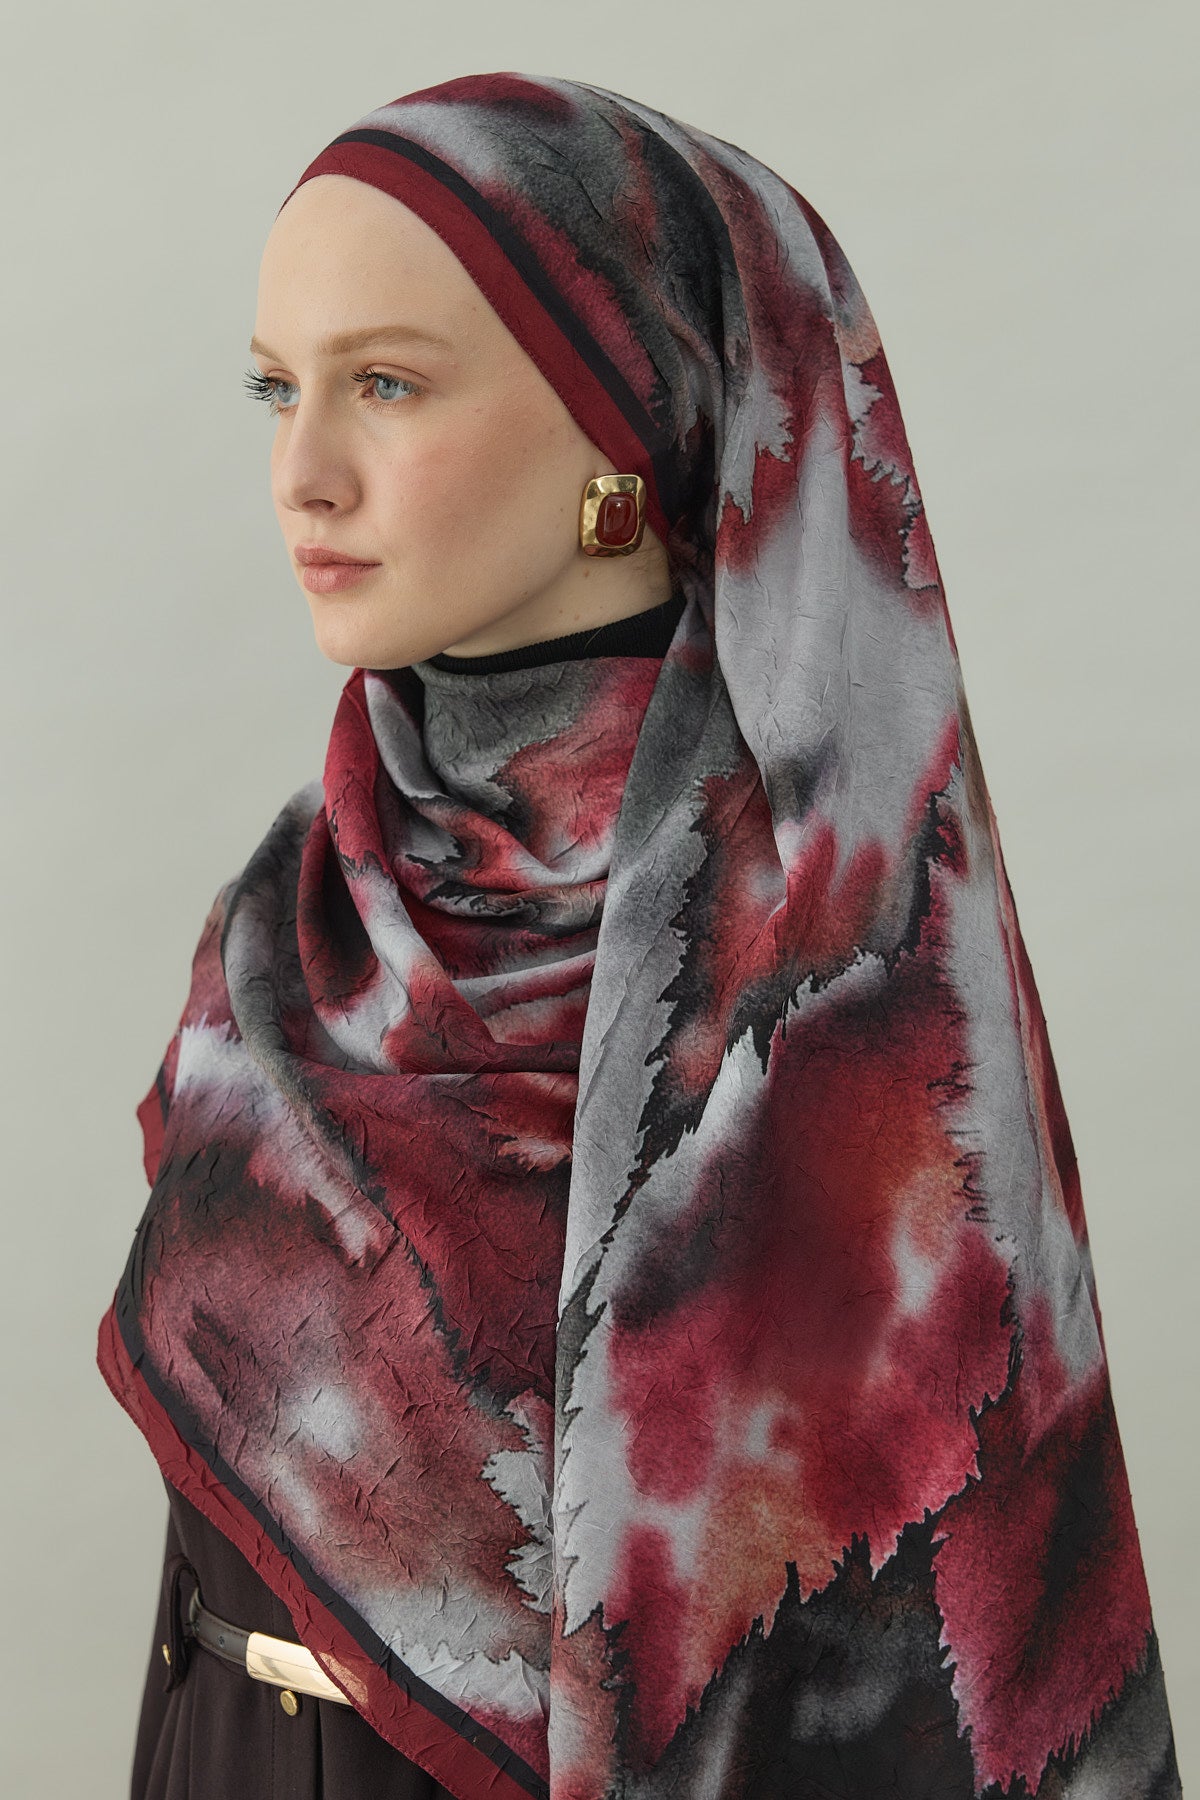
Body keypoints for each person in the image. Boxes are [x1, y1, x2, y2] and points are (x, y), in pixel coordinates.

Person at [98, 72, 1182, 1800]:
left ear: (628, 416)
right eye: (277, 389)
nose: (304, 473)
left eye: (387, 384)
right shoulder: (290, 921)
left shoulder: (836, 976)